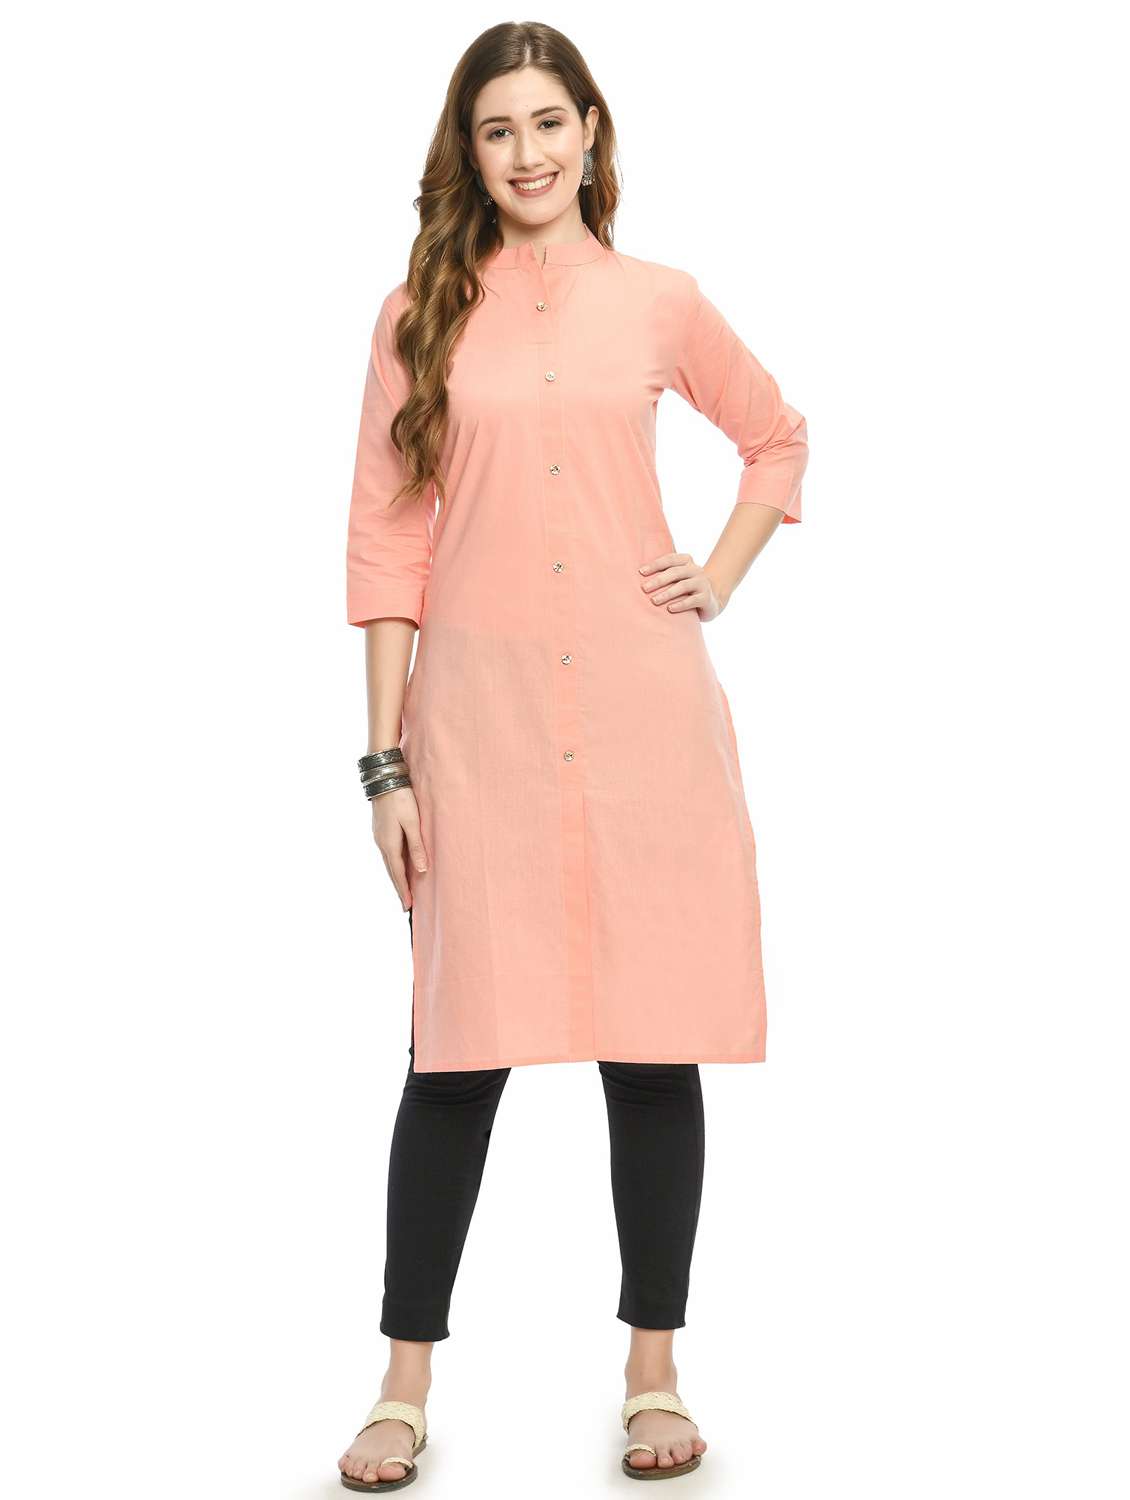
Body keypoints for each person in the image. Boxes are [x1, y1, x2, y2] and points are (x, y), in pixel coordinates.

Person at [337, 21, 808, 1492]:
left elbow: (778, 438)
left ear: (590, 130)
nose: (528, 152)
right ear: (468, 151)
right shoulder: (417, 313)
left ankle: (652, 1371)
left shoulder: (659, 302)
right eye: (499, 129)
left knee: (651, 1050)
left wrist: (713, 574)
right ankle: (403, 1383)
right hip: (473, 732)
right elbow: (386, 543)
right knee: (452, 1055)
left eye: (550, 121)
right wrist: (382, 764)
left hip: (640, 721)